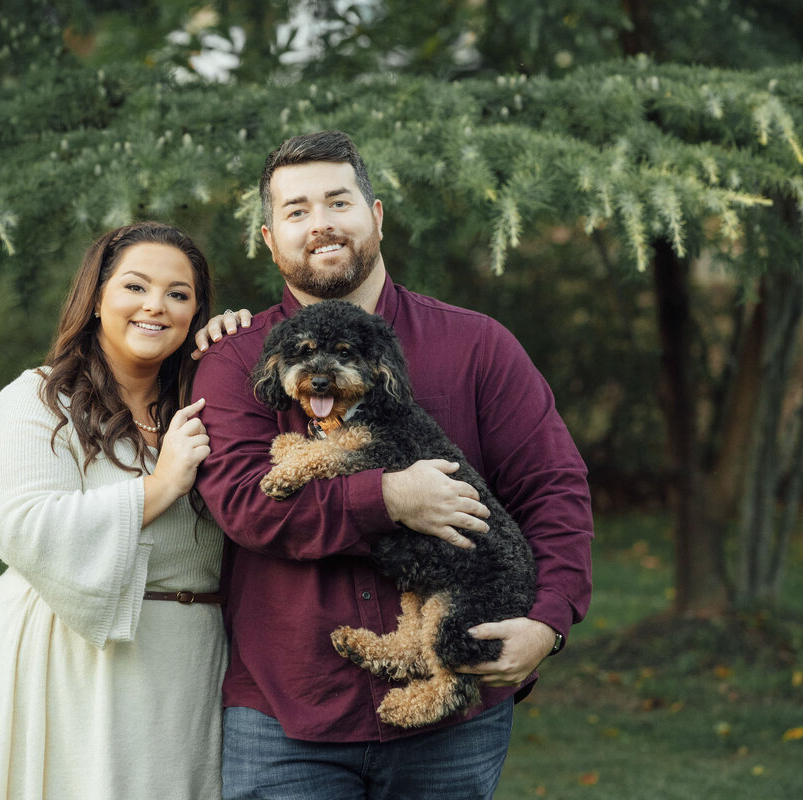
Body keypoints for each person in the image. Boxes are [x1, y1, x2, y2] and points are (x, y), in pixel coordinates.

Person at [192, 130, 594, 799]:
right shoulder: (237, 360)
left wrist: (547, 621)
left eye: (338, 202)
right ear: (269, 239)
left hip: (456, 722)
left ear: (375, 216)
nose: (320, 223)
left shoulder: (477, 345)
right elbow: (246, 506)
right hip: (288, 714)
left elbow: (553, 489)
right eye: (296, 211)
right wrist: (390, 498)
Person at [0, 221, 246, 800]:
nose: (155, 306)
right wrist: (160, 485)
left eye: (178, 294)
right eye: (135, 286)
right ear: (95, 299)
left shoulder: (207, 406)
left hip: (191, 658)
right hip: (72, 660)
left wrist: (243, 347)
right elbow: (27, 528)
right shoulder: (37, 400)